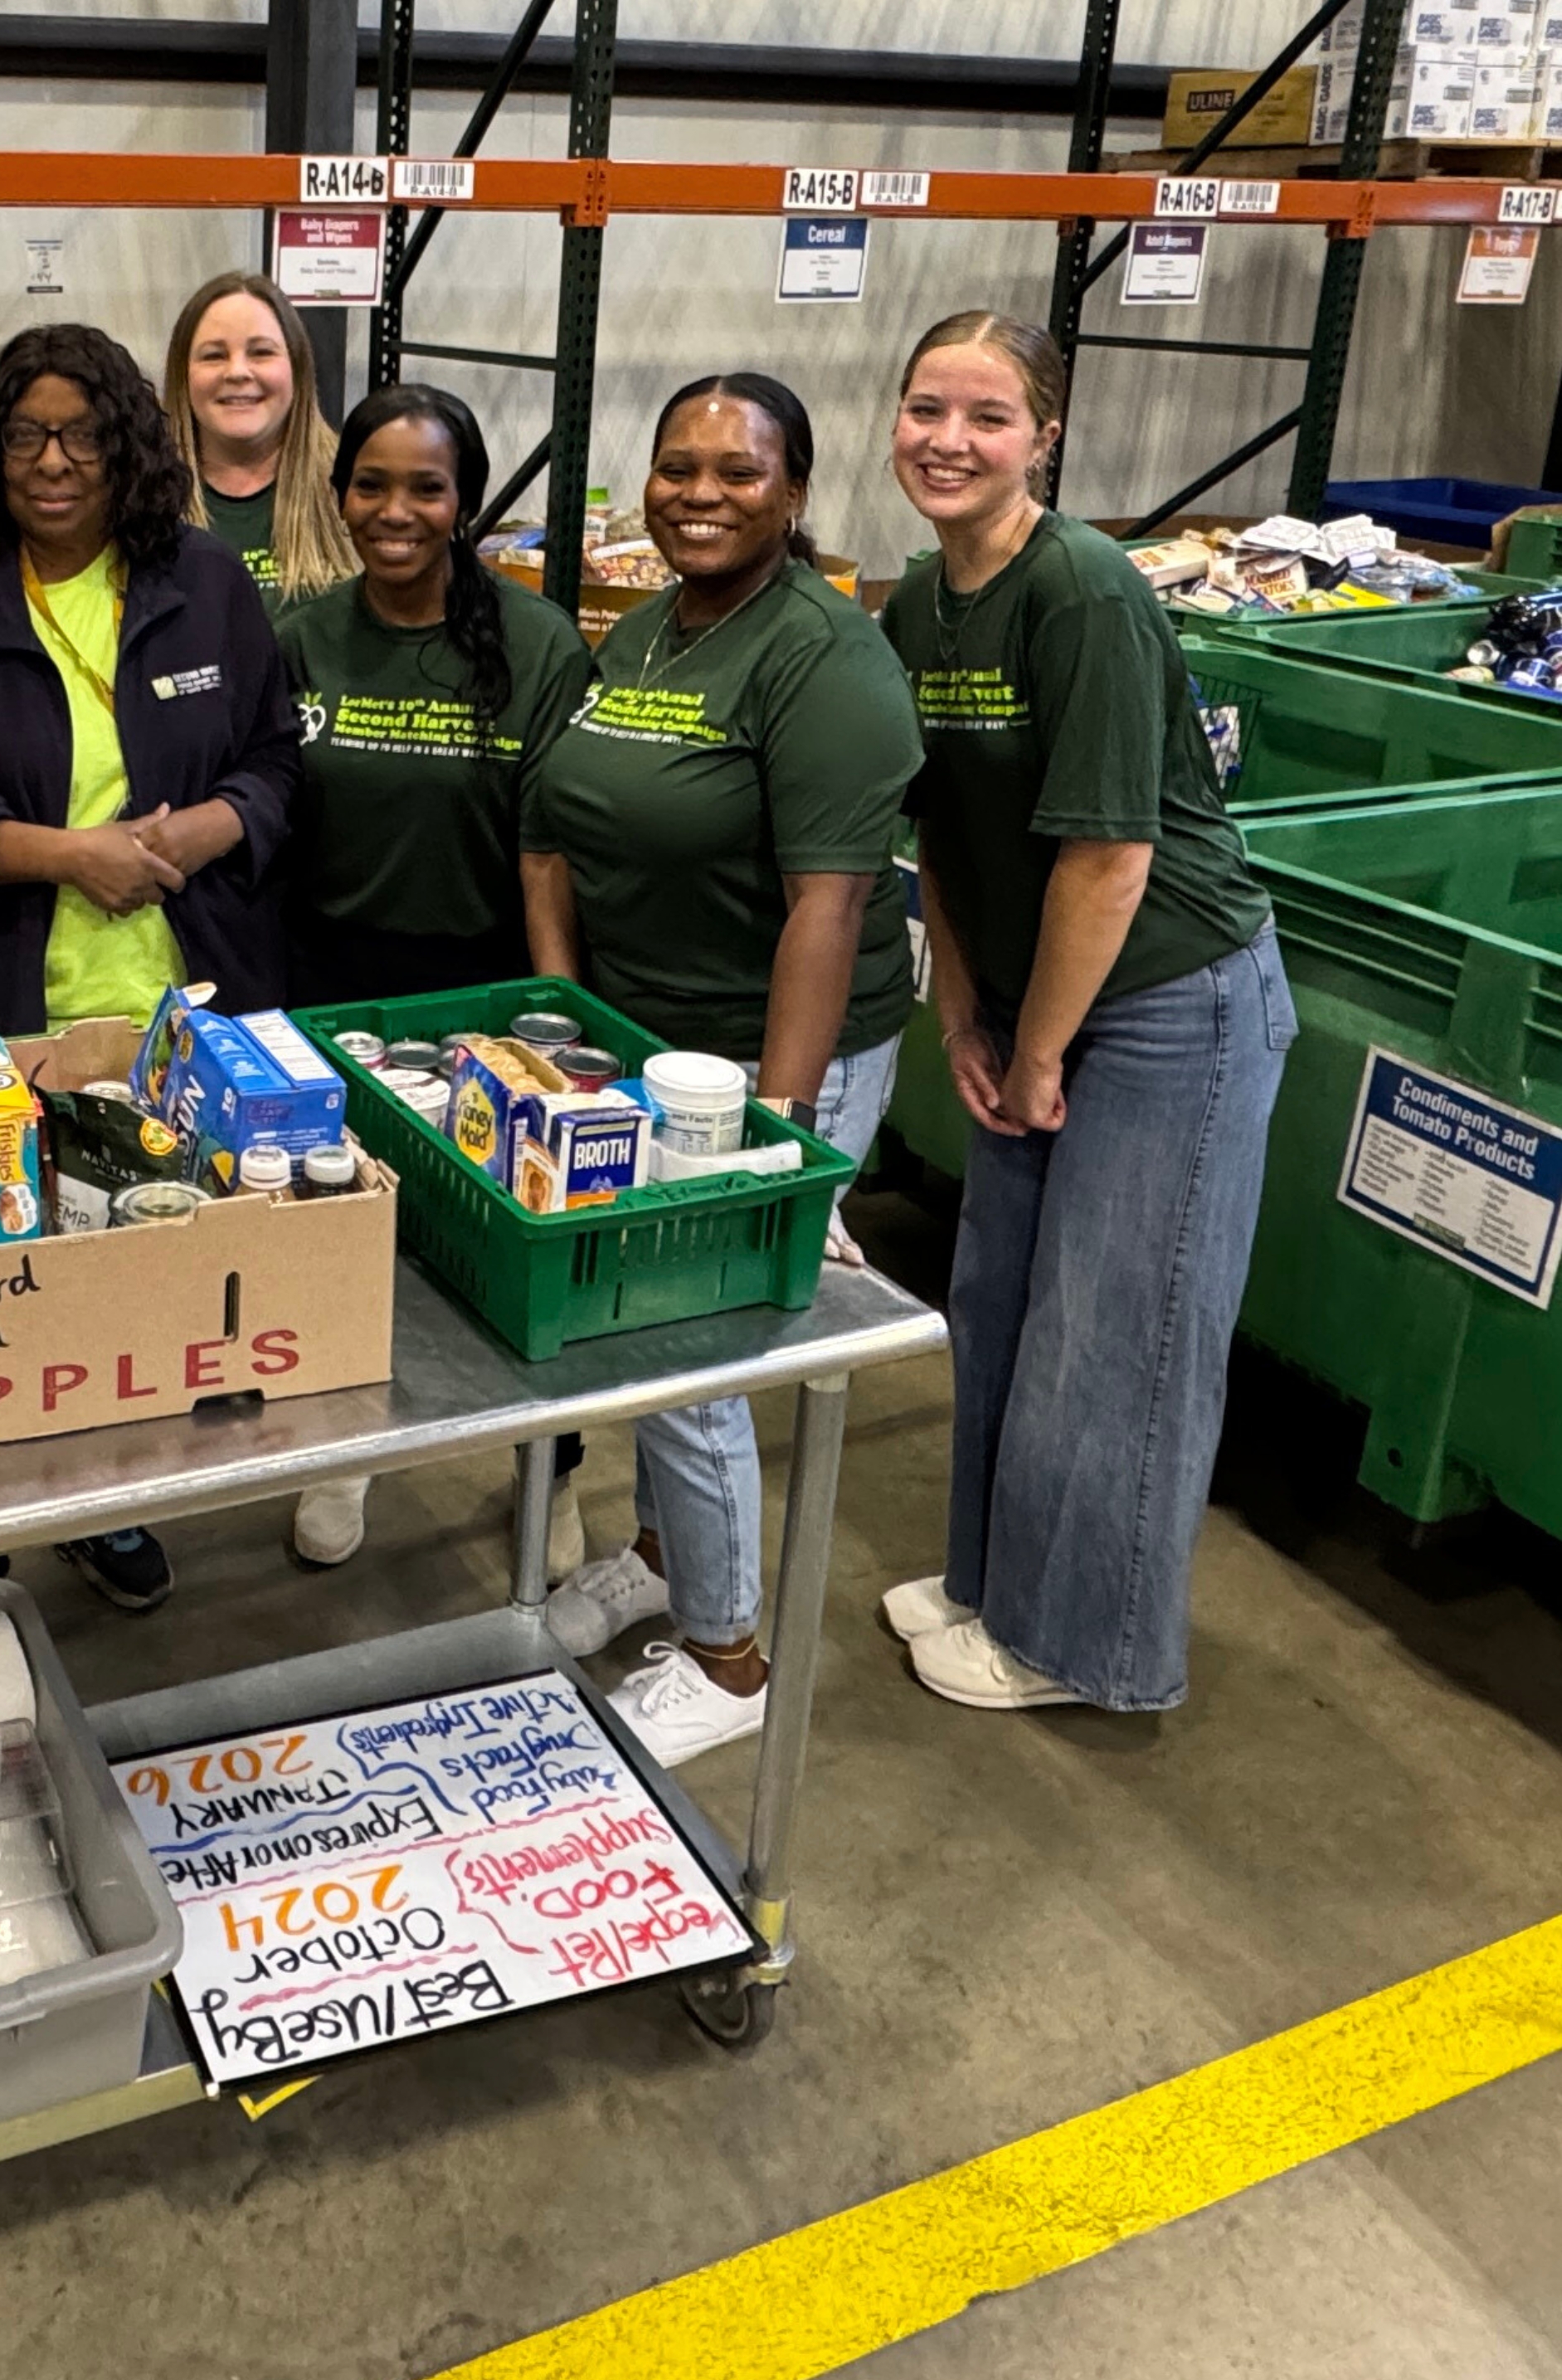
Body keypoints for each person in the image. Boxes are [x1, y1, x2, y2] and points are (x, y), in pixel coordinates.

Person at [877, 313, 1293, 1716]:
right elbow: (930, 824)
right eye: (927, 406)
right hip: (1026, 991)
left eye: (987, 416)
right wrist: (966, 1014)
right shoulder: (919, 604)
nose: (949, 438)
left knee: (1119, 1326)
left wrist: (1042, 1044)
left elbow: (1110, 856)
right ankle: (997, 1582)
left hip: (1168, 997)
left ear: (1044, 434)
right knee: (1001, 1296)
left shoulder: (1087, 590)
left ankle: (1086, 1645)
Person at [0, 320, 299, 1614]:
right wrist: (64, 856)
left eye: (85, 435)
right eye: (25, 435)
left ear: (129, 450)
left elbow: (275, 763)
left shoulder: (206, 585)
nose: (54, 462)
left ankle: (108, 1503)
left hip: (176, 1013)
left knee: (136, 1281)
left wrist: (211, 827)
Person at [526, 374, 924, 1768]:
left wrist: (779, 1115)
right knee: (635, 1324)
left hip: (764, 1055)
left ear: (798, 491)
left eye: (737, 471)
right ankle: (657, 1551)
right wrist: (568, 1019)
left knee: (690, 1343)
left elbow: (831, 900)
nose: (699, 490)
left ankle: (728, 1652)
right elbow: (565, 822)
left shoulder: (826, 658)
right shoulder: (643, 631)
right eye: (677, 464)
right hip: (640, 1037)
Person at [266, 386, 590, 1572]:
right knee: (348, 1250)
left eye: (426, 487)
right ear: (340, 493)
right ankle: (340, 1453)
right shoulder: (302, 639)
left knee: (511, 1266)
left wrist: (558, 1019)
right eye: (372, 484)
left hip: (487, 1002)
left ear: (464, 502)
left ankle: (548, 1470)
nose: (395, 511)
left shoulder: (539, 643)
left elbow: (552, 851)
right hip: (331, 997)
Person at [162, 268, 356, 601]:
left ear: (297, 368)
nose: (237, 371)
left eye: (261, 352)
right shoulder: (142, 493)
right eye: (214, 356)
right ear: (183, 375)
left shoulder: (353, 483)